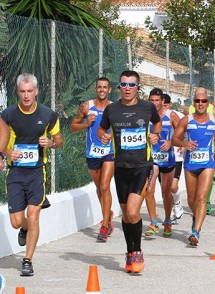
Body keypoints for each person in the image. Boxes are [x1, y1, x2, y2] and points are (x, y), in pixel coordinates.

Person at [98, 70, 162, 273]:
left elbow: (157, 122)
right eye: (123, 84)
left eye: (131, 85)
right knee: (126, 215)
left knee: (134, 211)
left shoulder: (147, 107)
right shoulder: (112, 110)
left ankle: (137, 251)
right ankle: (129, 252)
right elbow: (101, 129)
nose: (127, 88)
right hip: (121, 168)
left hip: (142, 167)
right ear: (118, 87)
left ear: (138, 88)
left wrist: (156, 135)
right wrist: (103, 136)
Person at [1, 73, 63, 276]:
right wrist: (8, 154)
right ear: (17, 92)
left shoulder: (47, 114)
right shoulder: (7, 115)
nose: (26, 95)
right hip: (16, 172)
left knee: (34, 215)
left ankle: (27, 261)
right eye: (22, 91)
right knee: (16, 221)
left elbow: (59, 140)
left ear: (36, 91)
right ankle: (24, 229)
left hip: (37, 172)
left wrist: (51, 143)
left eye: (30, 91)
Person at [171, 89, 215, 246]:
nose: (200, 104)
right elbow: (174, 139)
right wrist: (184, 143)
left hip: (208, 164)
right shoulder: (186, 120)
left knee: (202, 197)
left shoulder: (214, 119)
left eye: (203, 101)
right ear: (193, 103)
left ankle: (196, 231)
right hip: (190, 164)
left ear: (208, 103)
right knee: (191, 198)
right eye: (197, 101)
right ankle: (197, 217)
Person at [70, 77, 114, 242]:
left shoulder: (113, 108)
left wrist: (111, 137)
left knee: (105, 186)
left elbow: (121, 129)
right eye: (99, 87)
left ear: (109, 90)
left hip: (109, 153)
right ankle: (107, 212)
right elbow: (73, 127)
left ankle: (104, 225)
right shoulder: (87, 106)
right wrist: (86, 124)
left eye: (105, 87)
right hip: (92, 153)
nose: (102, 90)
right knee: (98, 188)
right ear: (96, 89)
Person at [144, 89, 180, 238]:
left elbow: (182, 132)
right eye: (151, 100)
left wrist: (172, 141)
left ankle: (167, 220)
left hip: (168, 159)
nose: (154, 103)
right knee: (149, 190)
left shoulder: (171, 115)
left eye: (157, 100)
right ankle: (153, 222)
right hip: (152, 159)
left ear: (162, 101)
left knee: (166, 192)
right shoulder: (144, 115)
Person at [162, 95, 185, 223]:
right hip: (161, 156)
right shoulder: (154, 116)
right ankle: (170, 214)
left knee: (173, 186)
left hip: (176, 156)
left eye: (166, 105)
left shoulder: (176, 116)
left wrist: (182, 144)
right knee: (165, 189)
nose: (163, 107)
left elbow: (182, 132)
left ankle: (177, 204)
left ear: (170, 104)